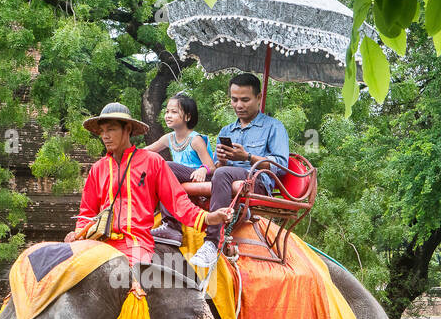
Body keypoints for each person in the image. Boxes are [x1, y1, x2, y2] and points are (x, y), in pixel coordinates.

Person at [75, 102, 234, 268]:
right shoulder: (97, 168)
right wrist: (77, 235)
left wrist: (209, 218)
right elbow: (87, 212)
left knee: (128, 283)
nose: (105, 136)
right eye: (102, 131)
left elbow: (178, 201)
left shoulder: (153, 162)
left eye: (111, 129)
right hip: (100, 242)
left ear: (127, 129)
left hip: (136, 244)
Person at [190, 73, 289, 269]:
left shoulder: (273, 127)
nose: (239, 105)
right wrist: (223, 160)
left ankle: (212, 242)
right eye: (234, 100)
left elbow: (281, 167)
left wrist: (247, 157)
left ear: (259, 98)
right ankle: (171, 226)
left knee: (222, 174)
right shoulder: (226, 131)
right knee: (170, 167)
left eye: (245, 100)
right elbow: (218, 167)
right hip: (225, 177)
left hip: (256, 182)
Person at [143, 92, 214, 247]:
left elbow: (211, 165)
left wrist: (203, 169)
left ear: (187, 117)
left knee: (164, 166)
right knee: (153, 169)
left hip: (198, 177)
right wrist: (126, 155)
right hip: (176, 177)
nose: (168, 115)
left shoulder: (195, 140)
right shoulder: (169, 138)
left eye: (174, 112)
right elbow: (146, 151)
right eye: (167, 111)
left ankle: (172, 226)